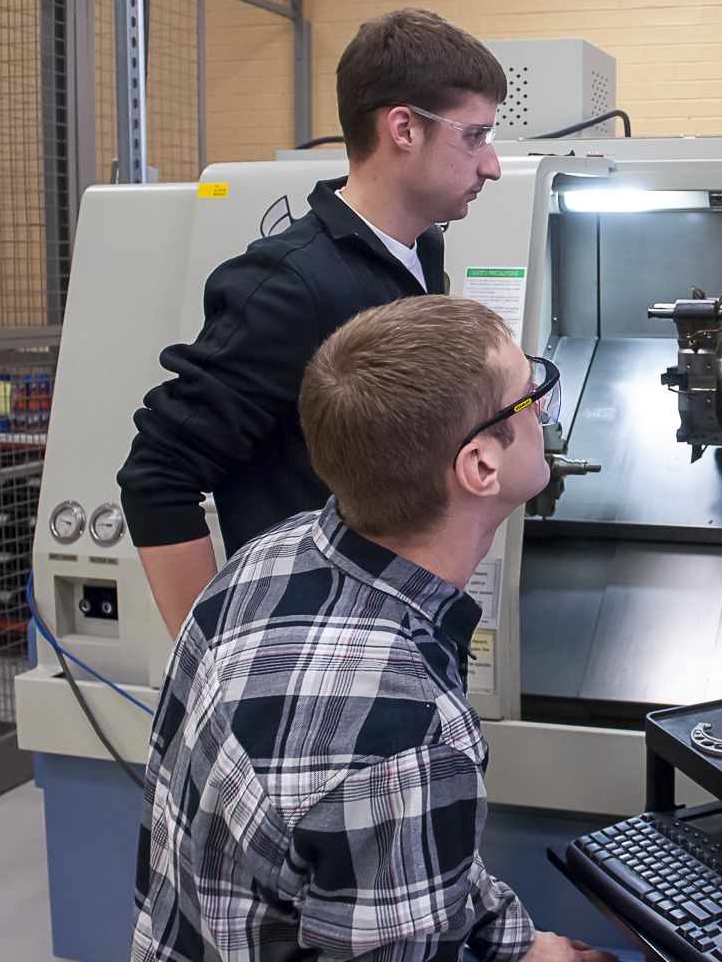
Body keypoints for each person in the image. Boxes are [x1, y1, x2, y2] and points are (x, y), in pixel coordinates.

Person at [133, 295, 610, 962]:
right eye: (531, 396)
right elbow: (385, 785)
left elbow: (381, 836)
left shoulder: (269, 557)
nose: (543, 408)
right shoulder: (407, 734)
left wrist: (518, 945)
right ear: (480, 466)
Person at [118, 8, 507, 638]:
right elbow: (158, 476)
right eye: (474, 137)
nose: (491, 165)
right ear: (403, 128)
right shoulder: (290, 284)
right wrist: (215, 660)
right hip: (314, 651)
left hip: (397, 632)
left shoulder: (420, 254)